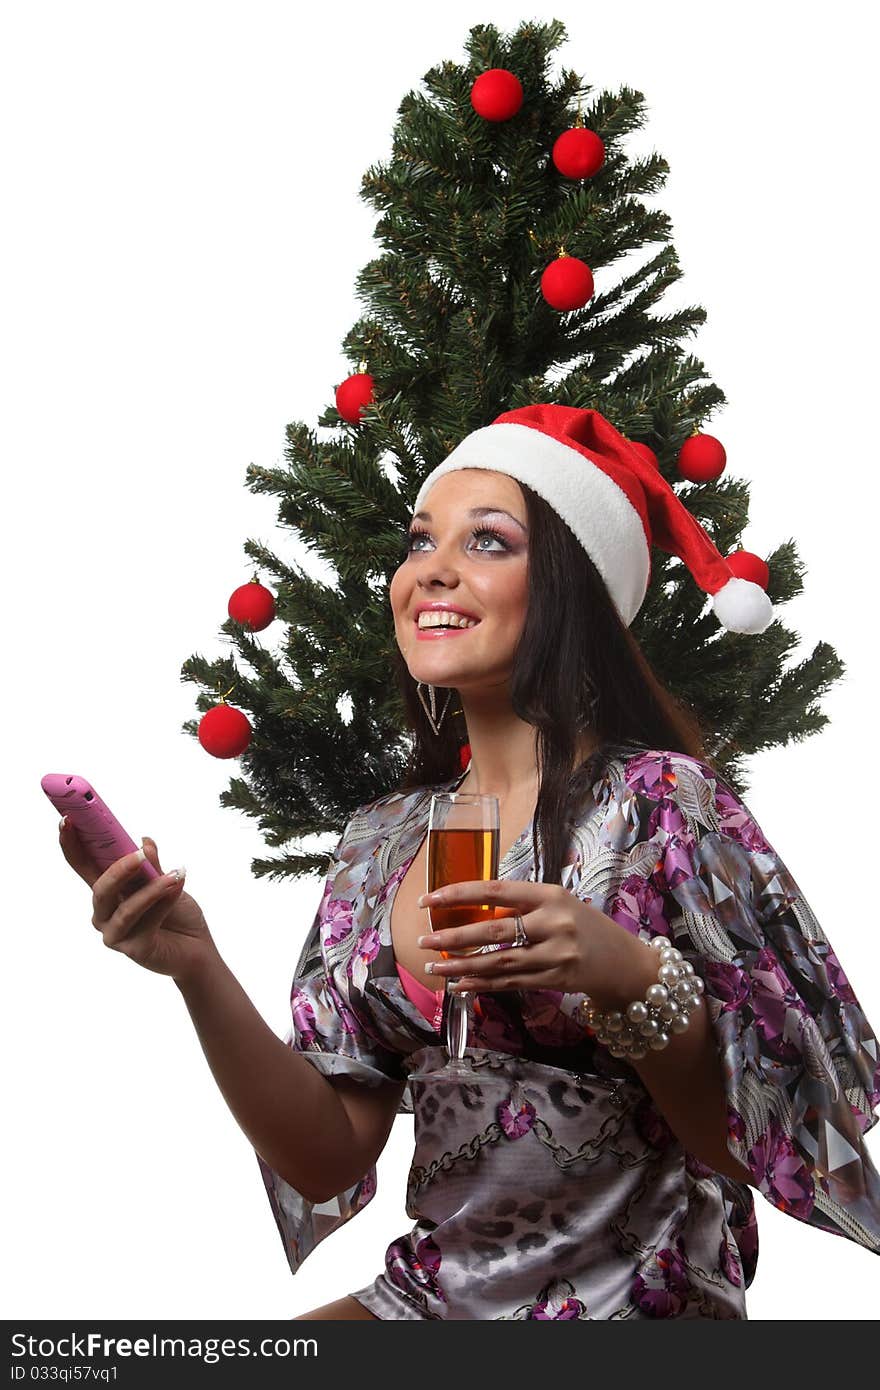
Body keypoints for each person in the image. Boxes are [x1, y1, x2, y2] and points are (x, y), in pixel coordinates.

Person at [60, 405, 880, 1319]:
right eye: (419, 541)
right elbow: (330, 1152)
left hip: (639, 1299)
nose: (432, 569)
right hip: (435, 1292)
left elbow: (749, 1148)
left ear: (572, 586)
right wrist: (197, 969)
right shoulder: (382, 844)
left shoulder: (660, 805)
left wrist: (629, 975)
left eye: (488, 541)